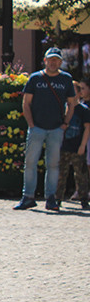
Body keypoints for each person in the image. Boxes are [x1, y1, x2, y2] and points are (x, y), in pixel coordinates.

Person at [15, 47, 78, 211]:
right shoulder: (35, 79)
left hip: (56, 128)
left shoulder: (66, 79)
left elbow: (72, 103)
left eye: (56, 60)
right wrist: (31, 124)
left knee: (53, 164)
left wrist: (65, 124)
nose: (53, 62)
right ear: (45, 61)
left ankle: (51, 197)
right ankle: (28, 196)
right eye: (50, 59)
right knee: (30, 163)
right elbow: (26, 103)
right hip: (37, 127)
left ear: (60, 62)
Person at [59, 78, 90, 209]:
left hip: (77, 146)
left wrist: (83, 146)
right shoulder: (62, 109)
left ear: (78, 94)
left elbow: (87, 128)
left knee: (81, 174)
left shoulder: (83, 110)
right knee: (61, 173)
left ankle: (83, 198)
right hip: (64, 146)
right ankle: (57, 197)